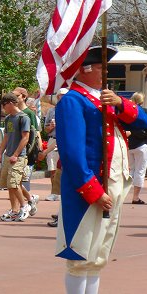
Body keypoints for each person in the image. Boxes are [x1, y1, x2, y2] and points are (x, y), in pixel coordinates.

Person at [55, 46, 147, 294]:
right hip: (91, 189)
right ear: (85, 69)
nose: (106, 73)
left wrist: (120, 104)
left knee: (98, 256)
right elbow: (72, 154)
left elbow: (144, 121)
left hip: (114, 185)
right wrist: (92, 191)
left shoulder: (105, 99)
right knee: (80, 255)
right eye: (101, 67)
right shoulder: (73, 101)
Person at [0, 93, 31, 222]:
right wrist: (0, 152)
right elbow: (6, 136)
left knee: (13, 183)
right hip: (8, 155)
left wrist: (16, 154)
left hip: (19, 157)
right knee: (9, 184)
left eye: (4, 105)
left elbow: (25, 138)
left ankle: (24, 206)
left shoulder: (24, 117)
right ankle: (14, 210)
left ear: (11, 103)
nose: (3, 108)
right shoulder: (8, 119)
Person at [13, 87, 40, 216]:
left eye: (16, 96)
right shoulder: (12, 113)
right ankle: (26, 202)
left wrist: (38, 150)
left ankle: (25, 204)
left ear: (23, 97)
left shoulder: (29, 113)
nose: (14, 98)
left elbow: (35, 133)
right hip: (14, 150)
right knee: (14, 181)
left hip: (26, 151)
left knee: (21, 180)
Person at [43, 87, 68, 201]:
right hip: (53, 139)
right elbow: (45, 129)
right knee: (52, 167)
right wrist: (51, 127)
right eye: (60, 96)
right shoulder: (51, 111)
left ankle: (62, 192)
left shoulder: (70, 110)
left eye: (64, 96)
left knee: (63, 168)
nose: (62, 98)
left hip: (65, 141)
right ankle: (54, 191)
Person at [126, 92, 147, 205]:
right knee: (140, 171)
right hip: (141, 145)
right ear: (141, 101)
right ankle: (135, 197)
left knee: (131, 171)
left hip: (130, 145)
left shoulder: (128, 111)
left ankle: (123, 194)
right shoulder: (142, 112)